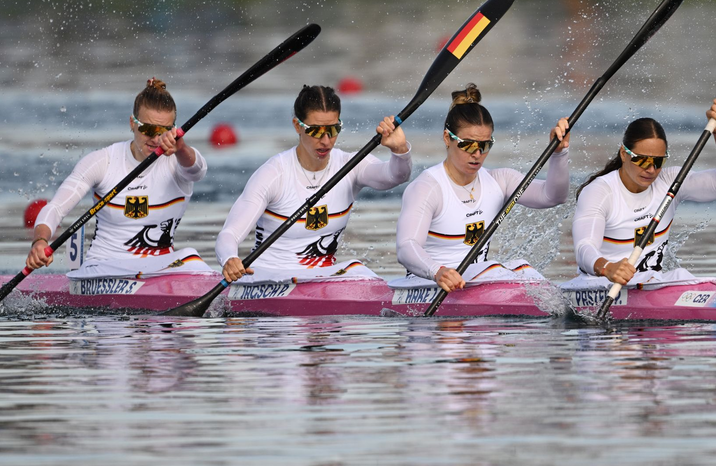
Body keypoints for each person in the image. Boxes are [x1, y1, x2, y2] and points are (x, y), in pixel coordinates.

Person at [217, 84, 411, 284]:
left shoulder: (351, 166)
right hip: (268, 280)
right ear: (297, 125)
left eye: (333, 130)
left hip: (321, 280)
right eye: (316, 131)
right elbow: (229, 234)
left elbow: (396, 176)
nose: (326, 141)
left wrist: (400, 150)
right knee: (355, 269)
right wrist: (230, 258)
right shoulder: (273, 174)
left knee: (356, 268)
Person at [26, 78, 212, 279]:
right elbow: (56, 208)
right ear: (132, 123)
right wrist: (40, 242)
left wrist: (181, 148)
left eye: (163, 131)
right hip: (103, 268)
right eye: (148, 129)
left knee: (191, 256)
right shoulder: (102, 162)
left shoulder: (179, 160)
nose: (155, 139)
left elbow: (198, 171)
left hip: (159, 269)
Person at [392, 83, 570, 292]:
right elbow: (406, 247)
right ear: (447, 138)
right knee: (495, 268)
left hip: (477, 281)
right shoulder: (428, 187)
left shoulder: (500, 180)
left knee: (524, 269)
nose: (477, 153)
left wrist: (559, 154)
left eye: (485, 145)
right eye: (468, 144)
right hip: (429, 284)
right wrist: (438, 271)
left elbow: (553, 196)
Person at [563, 98, 716, 291]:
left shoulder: (670, 181)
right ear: (624, 154)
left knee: (683, 276)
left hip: (651, 284)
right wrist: (608, 268)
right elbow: (584, 248)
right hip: (601, 286)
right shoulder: (601, 191)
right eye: (642, 160)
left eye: (658, 162)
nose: (651, 169)